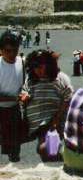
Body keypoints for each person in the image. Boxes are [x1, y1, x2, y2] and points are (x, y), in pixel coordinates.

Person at [20, 50, 73, 161]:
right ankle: (59, 160)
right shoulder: (31, 79)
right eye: (35, 67)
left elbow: (68, 98)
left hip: (54, 118)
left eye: (41, 67)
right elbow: (25, 91)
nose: (38, 70)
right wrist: (24, 96)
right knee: (46, 148)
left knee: (44, 148)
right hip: (37, 121)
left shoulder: (59, 78)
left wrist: (56, 119)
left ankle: (62, 159)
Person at [0, 31, 24, 162]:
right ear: (1, 50)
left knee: (15, 150)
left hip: (14, 110)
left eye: (15, 50)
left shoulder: (22, 62)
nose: (12, 54)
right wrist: (15, 98)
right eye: (8, 51)